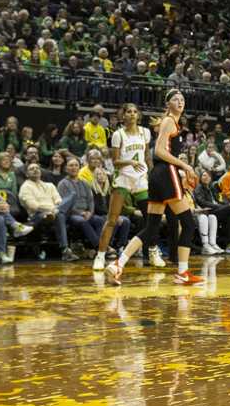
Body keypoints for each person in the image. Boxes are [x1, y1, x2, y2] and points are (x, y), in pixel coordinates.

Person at [106, 90, 202, 286]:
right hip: (166, 173)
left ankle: (118, 264)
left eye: (182, 99)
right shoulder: (169, 121)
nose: (180, 102)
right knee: (189, 223)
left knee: (151, 228)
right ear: (168, 104)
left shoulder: (171, 122)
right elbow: (158, 151)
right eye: (175, 99)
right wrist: (185, 166)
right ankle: (183, 272)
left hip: (158, 175)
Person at [92, 104, 154, 272]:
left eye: (135, 111)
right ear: (123, 115)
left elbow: (147, 155)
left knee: (150, 220)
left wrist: (152, 173)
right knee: (112, 220)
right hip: (123, 178)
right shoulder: (118, 135)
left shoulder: (145, 132)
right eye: (129, 111)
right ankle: (100, 256)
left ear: (138, 115)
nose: (132, 114)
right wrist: (130, 162)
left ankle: (151, 253)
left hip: (141, 179)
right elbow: (115, 162)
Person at [19, 162, 77, 260]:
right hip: (37, 216)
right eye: (31, 169)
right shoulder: (25, 187)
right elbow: (33, 206)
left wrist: (55, 209)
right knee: (60, 214)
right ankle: (65, 250)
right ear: (27, 174)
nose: (35, 170)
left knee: (72, 195)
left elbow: (58, 199)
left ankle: (65, 250)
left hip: (54, 212)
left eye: (37, 168)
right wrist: (52, 209)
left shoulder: (49, 185)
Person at [58, 157, 106, 252]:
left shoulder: (85, 183)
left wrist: (90, 212)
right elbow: (64, 204)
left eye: (76, 165)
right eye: (71, 165)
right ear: (66, 168)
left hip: (87, 213)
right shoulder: (62, 184)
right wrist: (81, 213)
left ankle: (93, 247)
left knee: (100, 220)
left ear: (79, 168)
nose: (74, 168)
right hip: (72, 214)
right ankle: (100, 247)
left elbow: (91, 200)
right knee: (82, 221)